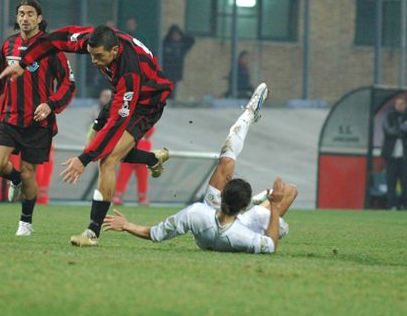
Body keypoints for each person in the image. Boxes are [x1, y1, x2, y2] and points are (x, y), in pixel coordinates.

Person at [0, 24, 173, 247]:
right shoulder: (91, 40)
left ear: (114, 51)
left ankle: (92, 233)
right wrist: (23, 63)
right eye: (91, 55)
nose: (94, 61)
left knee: (107, 159)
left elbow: (116, 125)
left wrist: (83, 160)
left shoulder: (129, 73)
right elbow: (54, 40)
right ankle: (152, 159)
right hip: (121, 94)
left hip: (147, 102)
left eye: (99, 56)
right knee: (94, 144)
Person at [104, 83, 298, 254]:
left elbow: (156, 233)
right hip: (243, 224)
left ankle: (248, 114)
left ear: (222, 197)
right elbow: (270, 245)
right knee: (290, 191)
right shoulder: (243, 236)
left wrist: (126, 225)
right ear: (242, 207)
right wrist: (273, 207)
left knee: (226, 163)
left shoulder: (197, 212)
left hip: (216, 222)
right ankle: (249, 117)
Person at [0, 0, 76, 236]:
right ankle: (13, 179)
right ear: (17, 18)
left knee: (29, 173)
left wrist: (50, 104)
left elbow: (68, 83)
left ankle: (25, 223)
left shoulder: (51, 47)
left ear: (39, 18)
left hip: (38, 121)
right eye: (21, 14)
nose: (25, 18)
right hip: (9, 117)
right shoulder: (9, 45)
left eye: (30, 14)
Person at [382, 97, 407, 210]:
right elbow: (388, 131)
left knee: (406, 182)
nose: (399, 106)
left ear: (405, 105)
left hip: (405, 156)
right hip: (391, 156)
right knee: (391, 182)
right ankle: (393, 205)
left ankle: (406, 204)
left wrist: (399, 129)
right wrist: (402, 130)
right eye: (397, 104)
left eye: (401, 104)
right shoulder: (389, 116)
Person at [112, 127, 155, 206]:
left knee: (143, 178)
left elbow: (150, 130)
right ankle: (117, 196)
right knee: (123, 176)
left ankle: (142, 198)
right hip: (129, 149)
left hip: (142, 148)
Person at [162, 24, 194, 100]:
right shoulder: (166, 45)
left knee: (174, 90)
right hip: (166, 71)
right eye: (174, 35)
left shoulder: (181, 46)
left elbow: (191, 40)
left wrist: (182, 36)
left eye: (177, 35)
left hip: (176, 72)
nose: (176, 37)